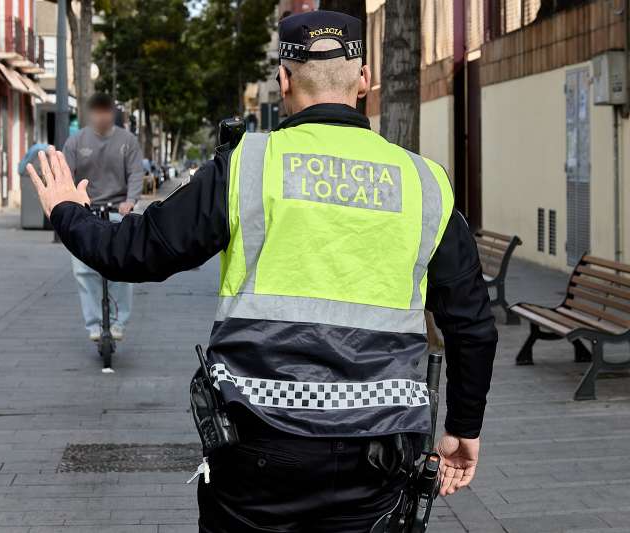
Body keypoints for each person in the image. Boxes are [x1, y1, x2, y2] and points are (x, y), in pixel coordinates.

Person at [27, 10, 497, 532]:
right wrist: (464, 427)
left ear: (284, 80)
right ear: (364, 79)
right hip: (379, 451)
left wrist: (67, 211)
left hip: (258, 446)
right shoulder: (425, 183)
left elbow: (136, 252)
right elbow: (472, 324)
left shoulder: (247, 167)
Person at [62, 93, 144, 342]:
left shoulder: (127, 141)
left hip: (118, 210)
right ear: (90, 114)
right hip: (86, 211)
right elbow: (66, 175)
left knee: (123, 269)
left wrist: (130, 200)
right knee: (83, 270)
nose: (102, 116)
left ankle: (119, 322)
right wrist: (72, 202)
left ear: (113, 113)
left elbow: (136, 173)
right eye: (97, 111)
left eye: (106, 111)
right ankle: (94, 324)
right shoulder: (76, 142)